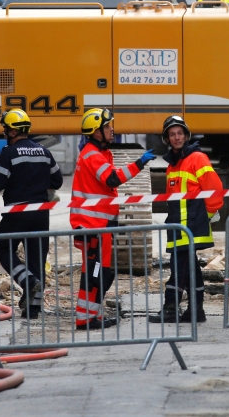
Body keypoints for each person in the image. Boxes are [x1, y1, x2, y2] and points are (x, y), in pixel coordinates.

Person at [70, 108, 154, 330]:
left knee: (101, 273)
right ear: (96, 132)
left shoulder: (97, 153)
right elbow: (113, 179)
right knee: (96, 275)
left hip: (98, 227)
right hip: (93, 228)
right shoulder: (92, 155)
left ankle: (89, 316)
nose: (112, 129)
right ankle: (85, 319)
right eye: (107, 126)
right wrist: (140, 162)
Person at [0, 109, 62, 318]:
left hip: (16, 212)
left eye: (5, 130)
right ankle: (33, 309)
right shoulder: (44, 152)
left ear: (12, 132)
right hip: (40, 213)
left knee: (3, 248)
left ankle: (27, 281)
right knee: (37, 257)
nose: (4, 133)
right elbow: (57, 181)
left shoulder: (9, 153)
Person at [149, 115, 223, 324]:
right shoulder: (173, 163)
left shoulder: (197, 158)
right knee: (190, 268)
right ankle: (196, 311)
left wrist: (208, 215)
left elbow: (215, 189)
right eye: (172, 134)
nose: (177, 137)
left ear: (186, 135)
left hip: (190, 226)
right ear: (167, 138)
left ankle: (171, 309)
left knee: (178, 267)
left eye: (180, 133)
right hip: (179, 226)